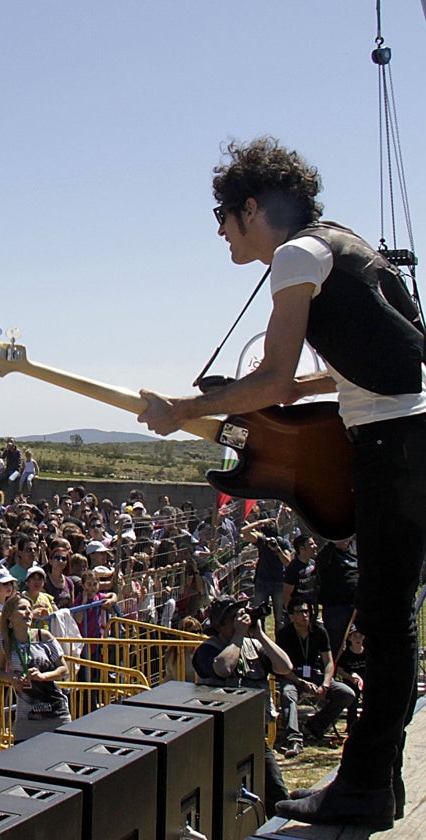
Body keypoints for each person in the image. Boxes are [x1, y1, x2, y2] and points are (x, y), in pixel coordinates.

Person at [140, 137, 426, 829]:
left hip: (395, 442)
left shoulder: (297, 255)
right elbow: (346, 365)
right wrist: (283, 391)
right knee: (392, 621)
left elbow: (269, 378)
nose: (218, 231)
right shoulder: (345, 244)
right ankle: (377, 783)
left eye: (222, 215)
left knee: (387, 625)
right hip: (409, 433)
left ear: (250, 208)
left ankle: (362, 789)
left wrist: (183, 411)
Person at [191, 595, 291, 817]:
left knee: (277, 792)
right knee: (225, 803)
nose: (242, 620)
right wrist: (238, 636)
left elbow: (285, 666)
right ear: (220, 624)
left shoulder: (252, 645)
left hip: (253, 734)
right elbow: (223, 668)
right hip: (219, 738)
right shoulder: (207, 650)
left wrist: (260, 635)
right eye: (236, 617)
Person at [274, 596, 355, 757]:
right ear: (291, 615)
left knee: (347, 694)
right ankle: (294, 738)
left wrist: (325, 684)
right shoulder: (284, 635)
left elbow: (329, 662)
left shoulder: (319, 631)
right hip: (292, 676)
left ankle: (315, 726)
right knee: (288, 694)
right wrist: (300, 682)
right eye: (300, 612)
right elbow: (280, 667)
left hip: (315, 675)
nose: (305, 615)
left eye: (307, 611)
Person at [0, 592, 70, 743]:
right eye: (22, 608)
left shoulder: (44, 636)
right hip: (27, 717)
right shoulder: (3, 640)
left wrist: (43, 676)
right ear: (9, 616)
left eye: (29, 608)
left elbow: (63, 669)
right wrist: (12, 679)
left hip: (56, 713)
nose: (28, 612)